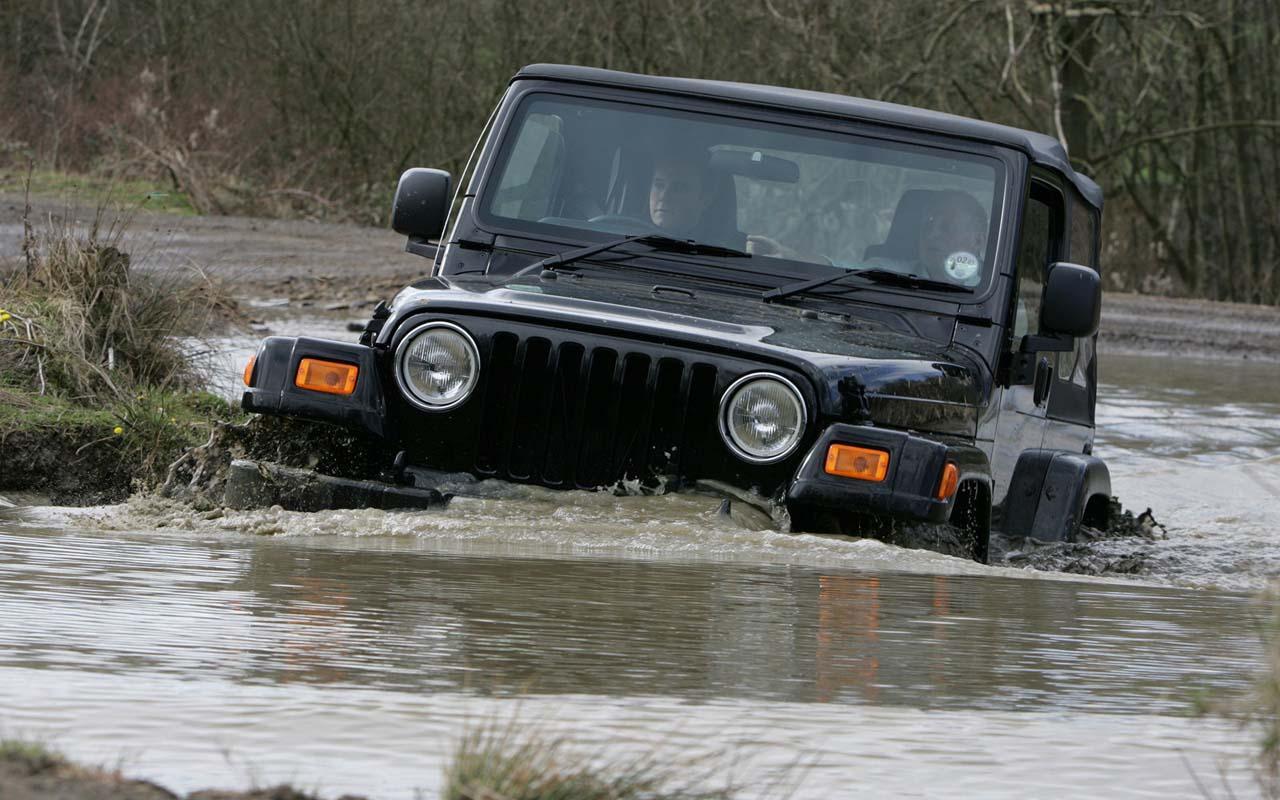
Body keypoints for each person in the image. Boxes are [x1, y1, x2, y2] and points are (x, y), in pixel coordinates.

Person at [870, 190, 988, 286]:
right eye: (928, 225)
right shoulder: (879, 275)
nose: (931, 234)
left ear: (977, 241)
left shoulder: (994, 292)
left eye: (947, 227)